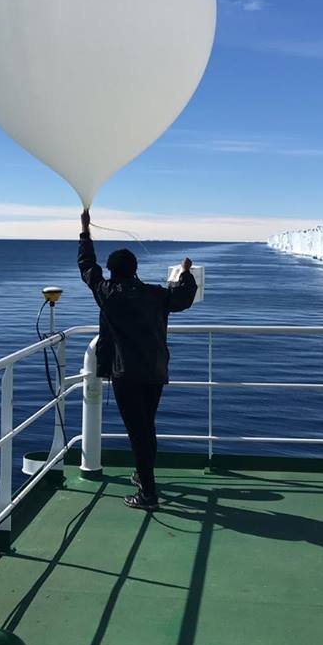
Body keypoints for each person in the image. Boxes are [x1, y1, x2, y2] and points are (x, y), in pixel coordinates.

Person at [78, 209, 197, 510]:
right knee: (147, 427)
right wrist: (185, 272)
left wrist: (85, 232)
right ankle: (144, 479)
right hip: (155, 371)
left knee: (138, 432)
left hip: (125, 374)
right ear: (135, 269)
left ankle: (148, 494)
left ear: (112, 271)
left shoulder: (108, 293)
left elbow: (87, 268)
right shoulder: (156, 295)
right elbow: (183, 297)